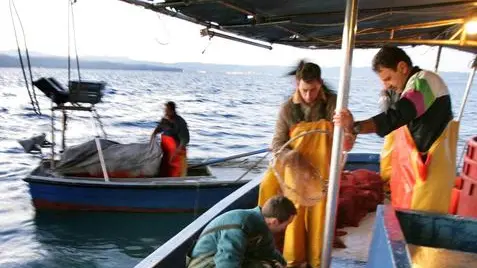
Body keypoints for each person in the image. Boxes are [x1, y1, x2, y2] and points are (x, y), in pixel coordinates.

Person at [334, 45, 458, 214]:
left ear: (402, 67)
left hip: (428, 176)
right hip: (411, 176)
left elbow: (397, 116)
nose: (386, 85)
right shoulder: (405, 89)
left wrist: (355, 127)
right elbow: (391, 118)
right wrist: (387, 94)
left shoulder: (425, 81)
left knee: (420, 229)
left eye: (388, 78)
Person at [258, 62, 354, 268]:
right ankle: (293, 261)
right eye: (304, 90)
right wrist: (291, 155)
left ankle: (318, 262)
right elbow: (277, 144)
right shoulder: (287, 109)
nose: (308, 96)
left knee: (321, 222)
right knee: (295, 220)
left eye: (313, 90)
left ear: (320, 83)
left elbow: (348, 142)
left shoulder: (334, 104)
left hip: (323, 173)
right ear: (296, 84)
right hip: (295, 174)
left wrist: (348, 127)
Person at [187, 195, 297, 268]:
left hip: (224, 260)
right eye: (286, 224)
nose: (285, 228)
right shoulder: (240, 224)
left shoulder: (261, 226)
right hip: (205, 263)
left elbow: (268, 252)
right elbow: (227, 261)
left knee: (270, 264)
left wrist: (284, 265)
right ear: (274, 222)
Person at [150, 101, 190, 177]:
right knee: (164, 167)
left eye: (167, 111)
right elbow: (159, 129)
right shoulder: (165, 120)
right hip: (167, 152)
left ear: (172, 111)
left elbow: (185, 139)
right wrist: (153, 135)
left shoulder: (180, 122)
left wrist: (177, 151)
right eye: (165, 110)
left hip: (177, 152)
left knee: (176, 172)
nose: (165, 112)